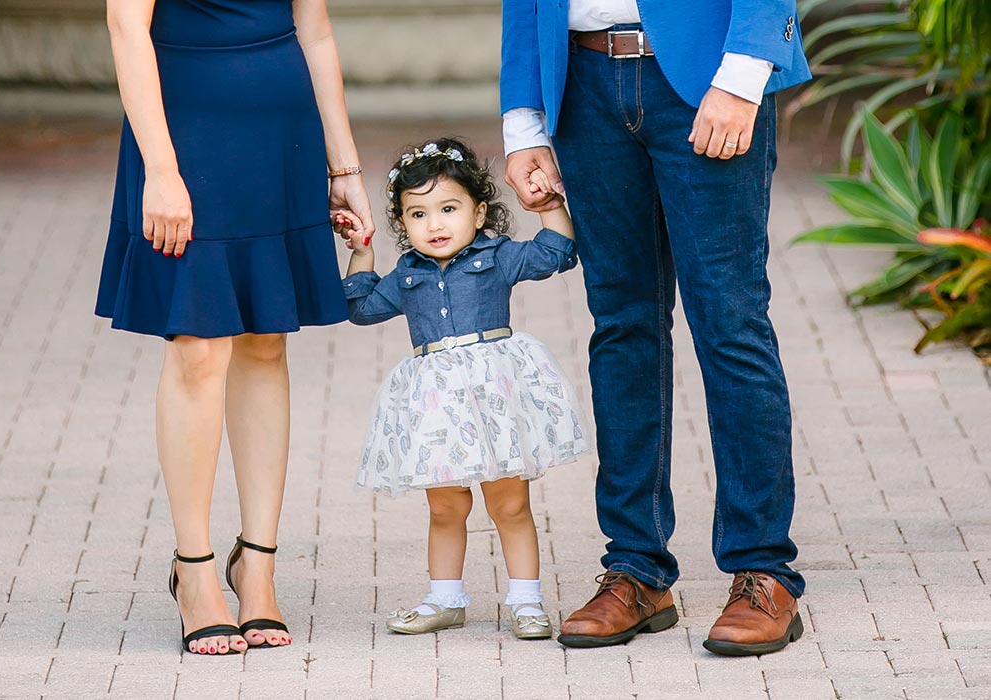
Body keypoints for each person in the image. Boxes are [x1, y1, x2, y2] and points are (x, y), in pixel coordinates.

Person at [499, 0, 811, 655]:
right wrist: (523, 119)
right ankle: (636, 569)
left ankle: (763, 571)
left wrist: (742, 75)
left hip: (706, 76)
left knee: (730, 326)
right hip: (584, 86)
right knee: (622, 330)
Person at [95, 0, 374, 655]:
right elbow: (125, 25)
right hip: (184, 129)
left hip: (282, 130)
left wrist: (344, 169)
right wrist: (160, 169)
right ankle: (193, 571)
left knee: (266, 339)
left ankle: (259, 564)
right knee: (197, 346)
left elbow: (315, 26)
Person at [335, 138, 589, 639]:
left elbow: (556, 252)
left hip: (494, 398)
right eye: (418, 215)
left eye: (448, 209)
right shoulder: (408, 275)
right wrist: (362, 252)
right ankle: (445, 598)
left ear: (479, 212)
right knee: (446, 505)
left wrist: (550, 206)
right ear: (403, 226)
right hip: (438, 406)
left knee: (508, 503)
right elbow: (361, 308)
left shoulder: (496, 256)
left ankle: (526, 600)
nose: (435, 225)